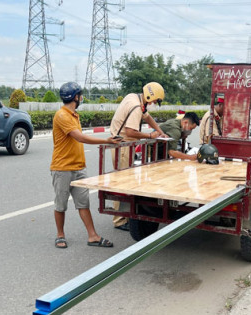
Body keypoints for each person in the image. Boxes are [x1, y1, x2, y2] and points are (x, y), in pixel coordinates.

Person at [50, 82, 122, 248]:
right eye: (80, 95)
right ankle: (60, 235)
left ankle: (93, 236)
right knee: (61, 204)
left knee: (83, 203)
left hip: (79, 167)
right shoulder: (62, 116)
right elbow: (80, 137)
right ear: (76, 97)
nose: (81, 97)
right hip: (62, 168)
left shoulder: (74, 115)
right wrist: (106, 140)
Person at [109, 82, 169, 231]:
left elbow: (148, 118)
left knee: (123, 181)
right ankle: (120, 220)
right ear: (149, 97)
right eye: (155, 101)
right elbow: (130, 132)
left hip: (122, 144)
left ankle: (122, 216)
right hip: (123, 146)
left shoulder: (134, 98)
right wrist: (149, 135)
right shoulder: (136, 108)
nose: (154, 104)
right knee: (123, 183)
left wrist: (160, 132)